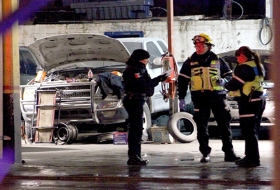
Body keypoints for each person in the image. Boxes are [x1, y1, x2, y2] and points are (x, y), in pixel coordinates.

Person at [177, 33, 240, 163]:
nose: (198, 47)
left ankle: (229, 153)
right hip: (200, 98)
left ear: (209, 46)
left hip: (218, 97)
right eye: (196, 45)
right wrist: (181, 98)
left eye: (201, 45)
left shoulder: (218, 60)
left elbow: (229, 76)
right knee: (201, 127)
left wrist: (225, 81)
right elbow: (182, 81)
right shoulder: (189, 62)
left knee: (224, 126)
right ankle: (205, 153)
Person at [221, 46, 266, 167]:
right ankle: (250, 157)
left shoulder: (244, 67)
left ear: (243, 56)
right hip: (258, 99)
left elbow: (233, 85)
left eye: (237, 57)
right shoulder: (258, 65)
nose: (237, 59)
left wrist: (224, 83)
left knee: (248, 132)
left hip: (249, 101)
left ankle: (252, 160)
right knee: (253, 131)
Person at [122, 49, 168, 165]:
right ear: (141, 59)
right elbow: (142, 85)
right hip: (134, 100)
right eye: (147, 58)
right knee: (136, 129)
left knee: (136, 129)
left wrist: (158, 79)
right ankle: (134, 156)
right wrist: (158, 79)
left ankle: (136, 155)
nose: (148, 61)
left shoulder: (138, 68)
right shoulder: (135, 69)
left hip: (137, 100)